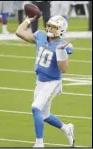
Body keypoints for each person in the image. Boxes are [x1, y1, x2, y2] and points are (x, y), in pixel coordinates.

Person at [15, 15, 75, 147]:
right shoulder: (41, 36)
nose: (50, 29)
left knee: (36, 108)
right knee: (44, 115)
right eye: (49, 26)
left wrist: (61, 52)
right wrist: (28, 19)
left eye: (55, 27)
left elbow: (63, 69)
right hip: (40, 81)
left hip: (53, 82)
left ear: (61, 29)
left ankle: (39, 144)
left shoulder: (62, 45)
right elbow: (19, 32)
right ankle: (66, 128)